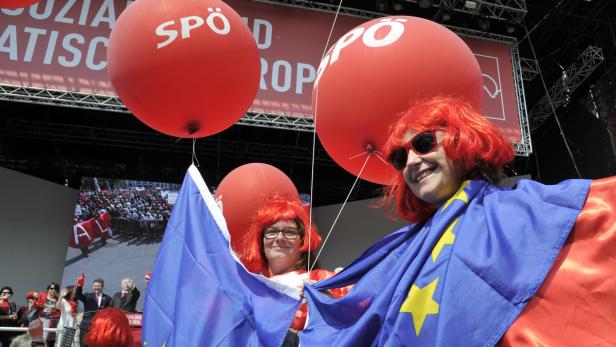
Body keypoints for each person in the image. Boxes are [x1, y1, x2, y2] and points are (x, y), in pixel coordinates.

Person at [373, 96, 615, 345]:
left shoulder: (525, 206)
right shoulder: (403, 251)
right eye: (400, 158)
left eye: (424, 143)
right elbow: (358, 307)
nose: (412, 161)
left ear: (461, 140)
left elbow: (603, 213)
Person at [239, 196, 350, 346]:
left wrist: (333, 304)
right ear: (261, 241)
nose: (279, 238)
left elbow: (359, 325)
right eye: (271, 231)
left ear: (302, 240)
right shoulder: (248, 287)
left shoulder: (324, 280)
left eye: (290, 232)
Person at [74, 276, 111, 346]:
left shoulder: (107, 298)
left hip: (100, 326)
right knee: (83, 344)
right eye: (95, 286)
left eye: (98, 286)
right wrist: (79, 286)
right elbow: (78, 296)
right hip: (86, 326)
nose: (96, 288)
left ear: (102, 286)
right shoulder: (87, 296)